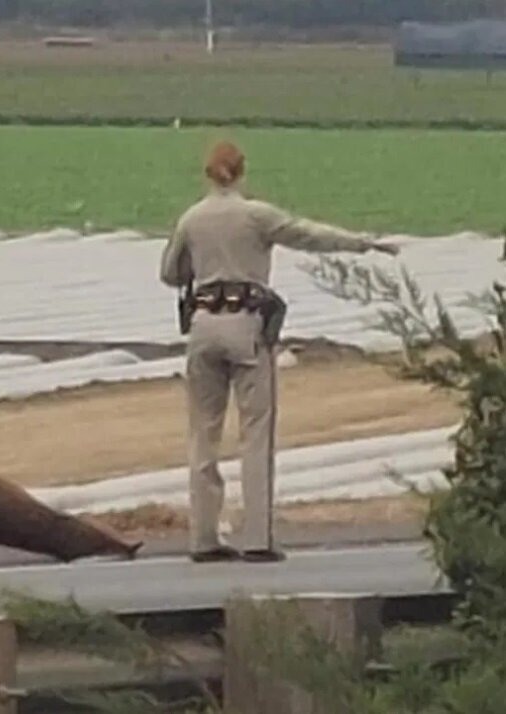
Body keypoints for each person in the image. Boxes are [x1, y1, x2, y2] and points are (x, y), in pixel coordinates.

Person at [159, 141, 399, 564]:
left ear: (207, 174)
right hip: (246, 327)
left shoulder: (191, 218)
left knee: (203, 435)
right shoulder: (257, 215)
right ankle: (258, 538)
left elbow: (170, 273)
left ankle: (203, 538)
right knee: (256, 432)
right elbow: (309, 235)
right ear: (242, 171)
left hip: (202, 329)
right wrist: (364, 243)